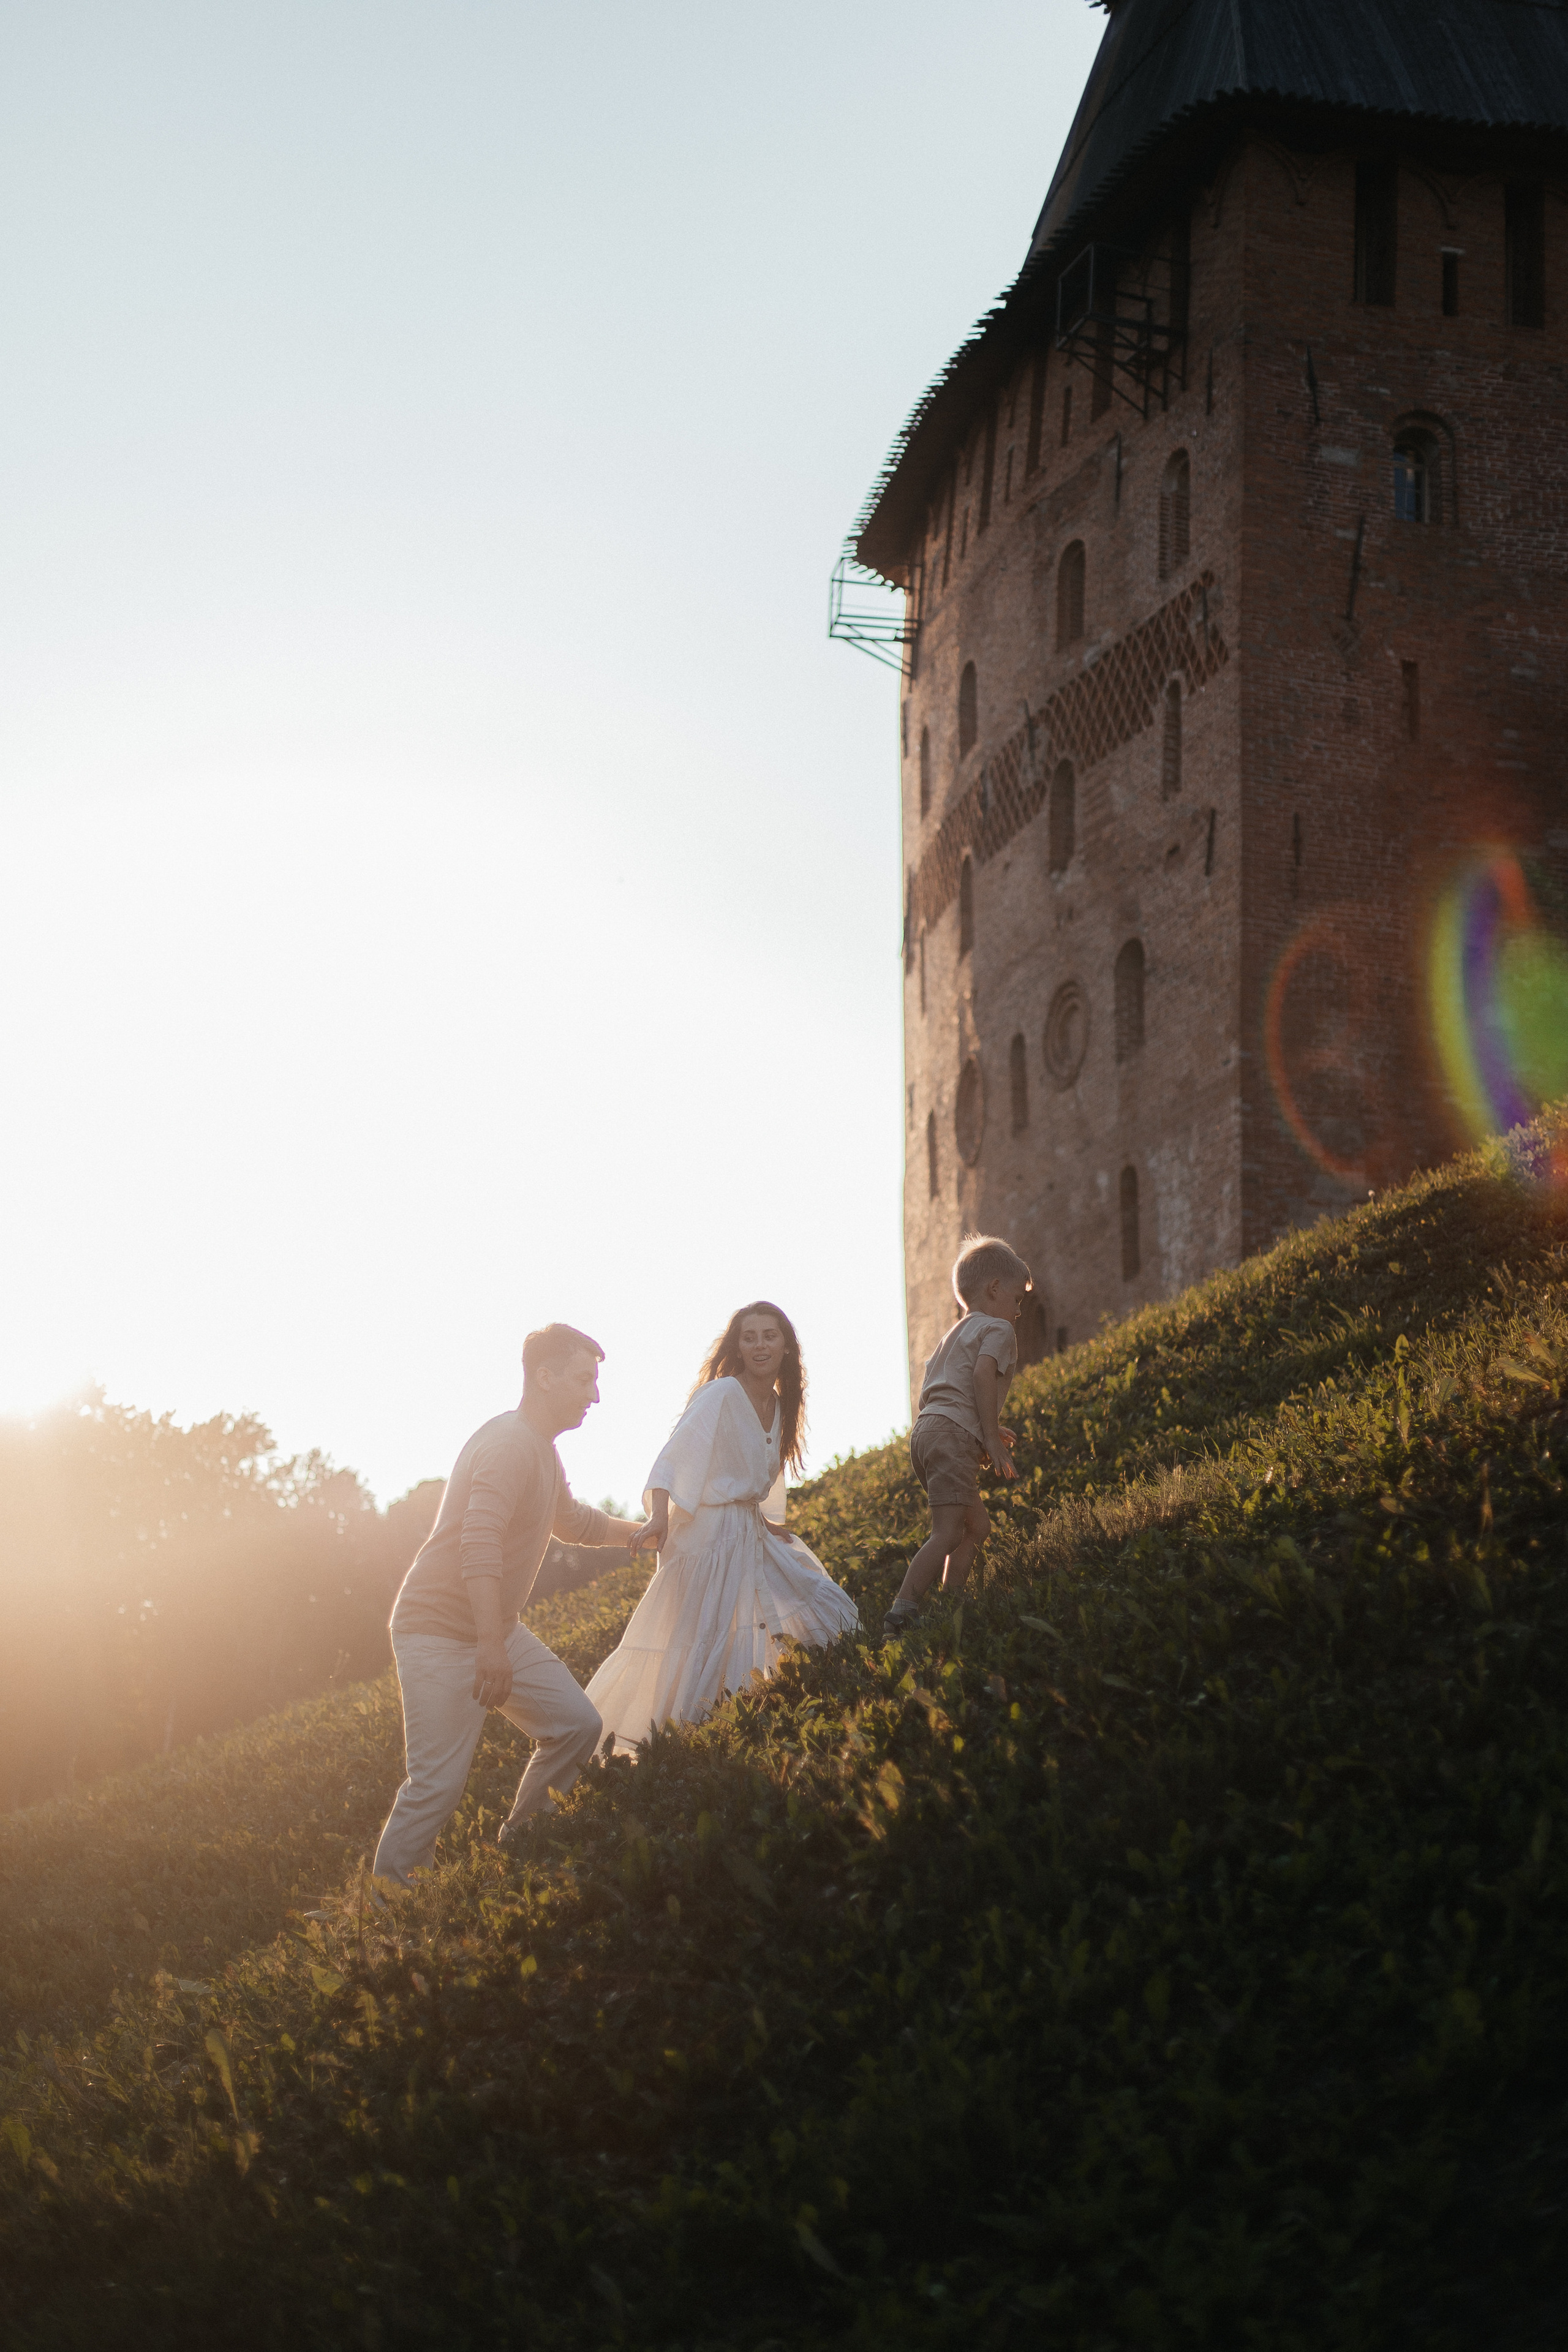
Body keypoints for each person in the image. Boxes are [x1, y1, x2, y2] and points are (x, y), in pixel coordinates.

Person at [371, 1324, 649, 1883]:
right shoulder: (509, 1445)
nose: (595, 1395)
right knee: (436, 1786)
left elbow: (574, 1523)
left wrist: (646, 1535)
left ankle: (522, 1846)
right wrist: (490, 1646)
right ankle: (388, 1910)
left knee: (576, 1725)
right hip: (438, 1632)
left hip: (492, 1629)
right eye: (584, 1380)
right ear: (544, 1377)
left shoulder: (540, 1450)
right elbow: (479, 1543)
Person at [584, 1301, 858, 1754]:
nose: (760, 1345)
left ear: (786, 1346)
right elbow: (672, 1459)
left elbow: (749, 1481)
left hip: (746, 1531)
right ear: (738, 1347)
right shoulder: (722, 1393)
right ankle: (663, 1749)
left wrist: (767, 1526)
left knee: (820, 1602)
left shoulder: (779, 1405)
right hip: (704, 1538)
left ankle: (728, 1735)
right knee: (701, 1640)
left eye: (769, 1336)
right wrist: (658, 1517)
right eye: (749, 1337)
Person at [883, 1235, 1031, 1643]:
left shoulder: (954, 1334)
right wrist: (990, 1437)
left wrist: (979, 1429)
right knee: (947, 1532)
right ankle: (901, 1613)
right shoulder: (999, 1328)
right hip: (951, 1436)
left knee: (977, 1527)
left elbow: (939, 1392)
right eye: (1017, 1299)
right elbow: (983, 1375)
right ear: (995, 1289)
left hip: (926, 1433)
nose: (1019, 1311)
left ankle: (951, 1604)